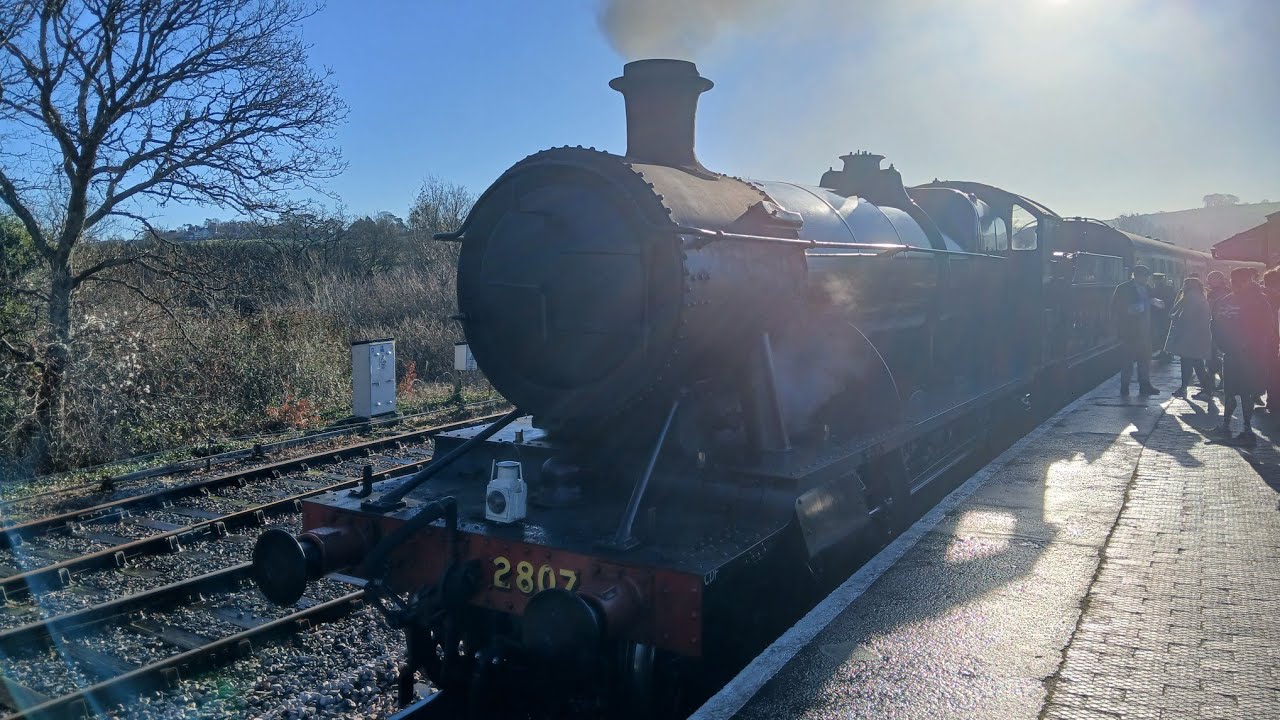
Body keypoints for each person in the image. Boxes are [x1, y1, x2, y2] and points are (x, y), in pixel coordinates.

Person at [1210, 267, 1278, 446]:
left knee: (1246, 392)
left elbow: (1267, 328)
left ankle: (1246, 430)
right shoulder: (1227, 300)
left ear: (1249, 281)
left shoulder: (1258, 301)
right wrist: (1222, 344)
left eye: (1242, 281)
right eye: (1235, 281)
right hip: (1232, 353)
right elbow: (1215, 324)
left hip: (1251, 356)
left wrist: (1249, 345)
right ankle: (1227, 427)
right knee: (1230, 391)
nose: (1238, 284)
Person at [1111, 265, 1160, 396]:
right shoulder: (1123, 289)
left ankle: (1145, 385)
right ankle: (1124, 387)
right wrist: (1137, 308)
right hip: (1129, 332)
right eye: (1144, 276)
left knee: (1145, 360)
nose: (1145, 279)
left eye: (1146, 277)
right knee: (1127, 361)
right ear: (1136, 275)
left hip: (1146, 331)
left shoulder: (1147, 288)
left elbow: (1150, 305)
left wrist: (1156, 303)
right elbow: (1117, 308)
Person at [1164, 277, 1212, 400]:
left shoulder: (1191, 297)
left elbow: (1186, 316)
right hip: (1196, 335)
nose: (1182, 287)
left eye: (1184, 285)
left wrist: (1175, 318)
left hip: (1190, 336)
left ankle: (1204, 389)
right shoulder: (1199, 296)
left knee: (1192, 363)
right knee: (1193, 363)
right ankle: (1189, 388)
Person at [1205, 271, 1230, 391]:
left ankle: (1215, 382)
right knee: (1213, 357)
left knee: (1215, 357)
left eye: (1211, 279)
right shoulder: (1215, 292)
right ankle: (1214, 382)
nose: (1209, 281)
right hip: (1215, 327)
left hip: (1219, 328)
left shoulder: (1221, 293)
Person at [1264, 268, 1280, 412]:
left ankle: (1272, 400)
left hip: (1269, 343)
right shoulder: (1267, 300)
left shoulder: (1264, 299)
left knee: (1272, 372)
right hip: (1272, 342)